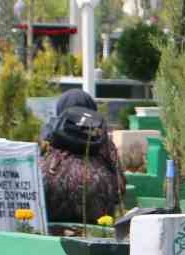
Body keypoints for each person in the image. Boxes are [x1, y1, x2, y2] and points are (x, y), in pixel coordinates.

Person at [39, 88, 124, 225]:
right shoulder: (102, 138)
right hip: (97, 220)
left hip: (52, 214)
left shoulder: (50, 134)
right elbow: (120, 188)